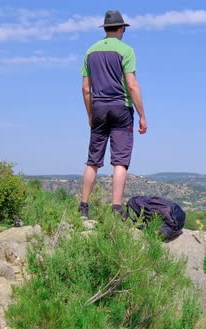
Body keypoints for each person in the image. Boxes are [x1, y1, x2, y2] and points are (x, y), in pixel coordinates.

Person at [78, 10, 147, 219]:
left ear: (105, 28)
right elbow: (132, 85)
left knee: (93, 161)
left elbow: (85, 88)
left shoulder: (90, 51)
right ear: (121, 28)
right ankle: (116, 210)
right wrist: (142, 115)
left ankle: (83, 208)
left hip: (98, 107)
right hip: (121, 108)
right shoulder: (126, 50)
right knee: (120, 161)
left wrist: (90, 114)